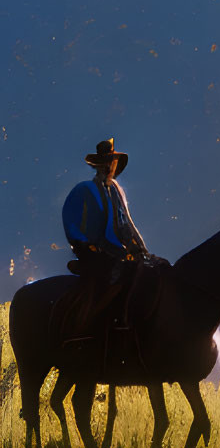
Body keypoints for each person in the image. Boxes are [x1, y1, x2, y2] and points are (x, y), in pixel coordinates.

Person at [61, 138, 151, 334]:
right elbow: (73, 221)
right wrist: (84, 246)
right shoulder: (85, 190)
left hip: (117, 249)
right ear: (100, 166)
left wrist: (141, 248)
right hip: (94, 250)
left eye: (113, 163)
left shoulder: (117, 192)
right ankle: (90, 323)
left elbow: (126, 223)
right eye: (108, 163)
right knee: (111, 278)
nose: (111, 167)